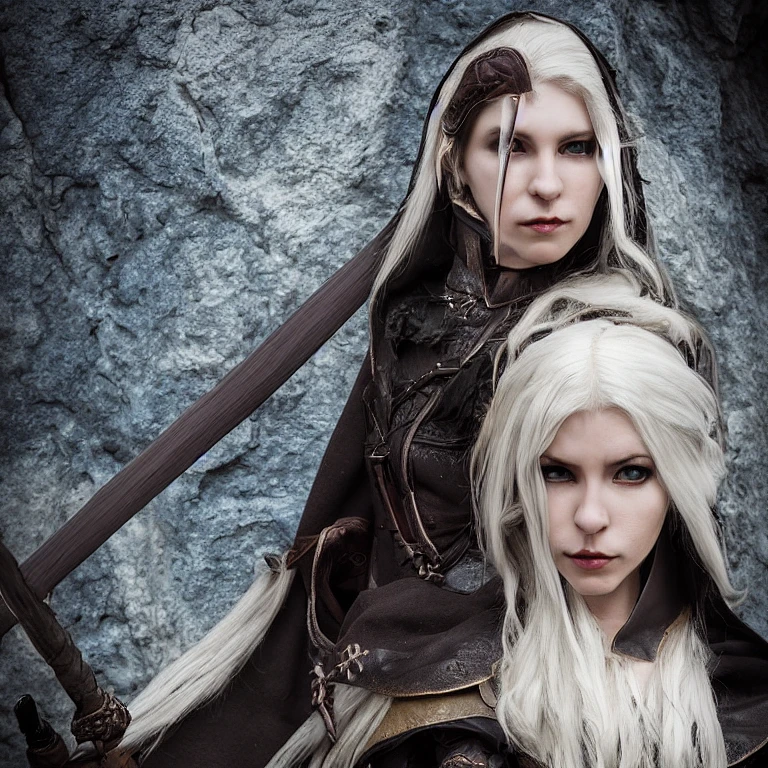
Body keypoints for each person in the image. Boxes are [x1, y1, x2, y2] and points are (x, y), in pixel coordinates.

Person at [117, 11, 696, 767]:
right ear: (455, 164)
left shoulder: (614, 344)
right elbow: (344, 515)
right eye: (510, 147)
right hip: (380, 656)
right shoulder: (415, 317)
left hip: (533, 687)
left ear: (608, 162)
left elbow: (629, 573)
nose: (548, 183)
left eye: (577, 147)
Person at [264, 280, 768, 767]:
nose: (590, 516)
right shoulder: (442, 696)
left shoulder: (747, 694)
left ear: (678, 485)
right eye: (557, 473)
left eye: (631, 473)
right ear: (517, 484)